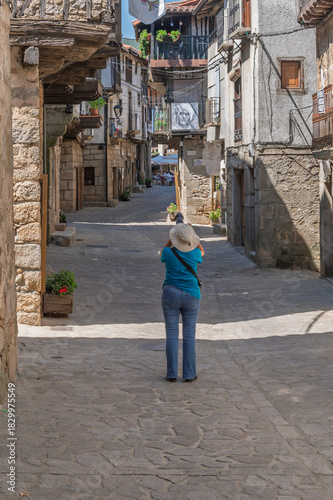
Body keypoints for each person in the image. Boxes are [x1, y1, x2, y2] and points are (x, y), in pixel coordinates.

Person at [160, 223, 205, 382]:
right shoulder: (195, 253)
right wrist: (193, 236)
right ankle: (189, 374)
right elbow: (202, 251)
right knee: (189, 335)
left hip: (170, 293)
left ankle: (171, 373)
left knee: (171, 334)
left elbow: (161, 254)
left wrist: (171, 239)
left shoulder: (168, 252)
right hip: (191, 295)